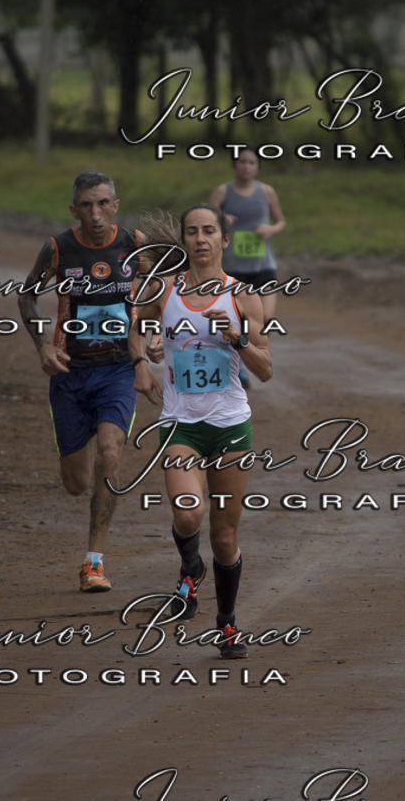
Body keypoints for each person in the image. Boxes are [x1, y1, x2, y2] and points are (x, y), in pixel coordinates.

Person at [128, 204, 272, 658]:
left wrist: (238, 338)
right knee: (189, 515)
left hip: (230, 425)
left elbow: (265, 369)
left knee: (225, 538)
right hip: (181, 424)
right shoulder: (164, 291)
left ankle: (227, 623)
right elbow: (135, 326)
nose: (200, 238)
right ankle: (190, 567)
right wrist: (143, 359)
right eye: (192, 231)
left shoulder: (242, 297)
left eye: (210, 231)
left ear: (224, 241)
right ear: (185, 241)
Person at [19, 170, 150, 592]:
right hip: (70, 373)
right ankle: (92, 484)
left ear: (116, 205)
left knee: (110, 453)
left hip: (116, 370)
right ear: (73, 209)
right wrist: (42, 344)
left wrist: (150, 342)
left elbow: (155, 293)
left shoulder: (135, 245)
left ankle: (94, 562)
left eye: (103, 203)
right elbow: (26, 294)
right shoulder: (58, 248)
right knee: (77, 484)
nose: (95, 213)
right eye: (86, 205)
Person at [209, 146, 285, 387]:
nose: (246, 166)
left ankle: (255, 359)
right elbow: (205, 222)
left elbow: (280, 221)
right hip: (233, 268)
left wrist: (270, 229)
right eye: (242, 162)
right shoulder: (222, 192)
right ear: (234, 165)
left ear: (258, 166)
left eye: (252, 162)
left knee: (267, 319)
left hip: (263, 265)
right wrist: (221, 221)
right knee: (237, 321)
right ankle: (239, 367)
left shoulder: (267, 191)